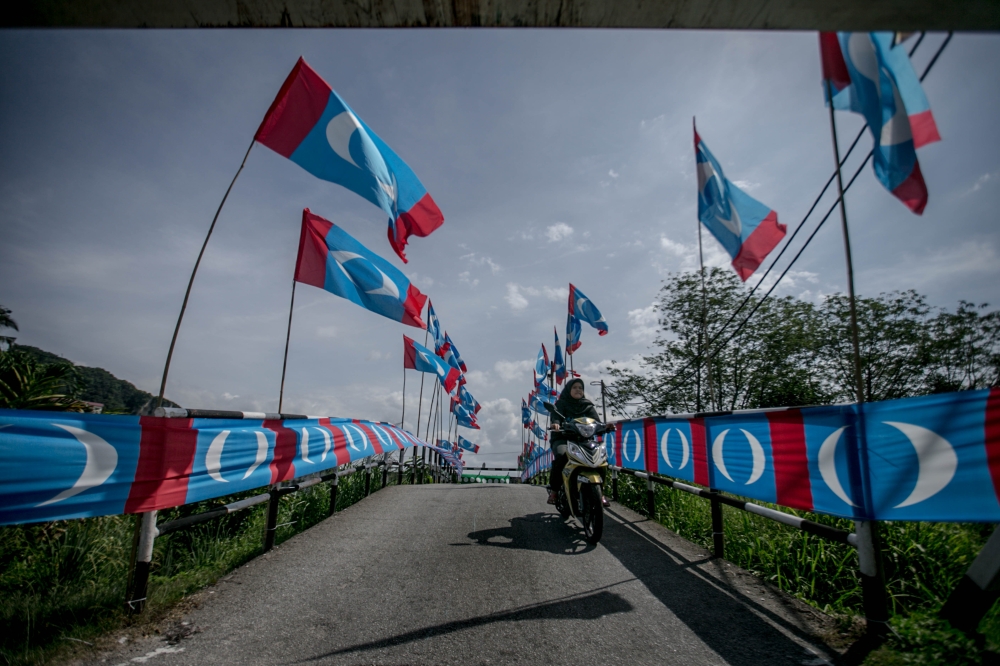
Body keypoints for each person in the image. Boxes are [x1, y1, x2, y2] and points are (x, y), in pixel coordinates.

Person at [547, 378, 610, 508]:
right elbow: (556, 417)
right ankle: (554, 490)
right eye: (575, 387)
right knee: (562, 456)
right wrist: (556, 424)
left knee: (601, 460)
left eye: (580, 388)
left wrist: (606, 426)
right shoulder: (561, 404)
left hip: (584, 440)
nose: (578, 390)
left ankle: (601, 493)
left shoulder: (587, 405)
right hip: (563, 439)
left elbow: (597, 421)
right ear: (568, 390)